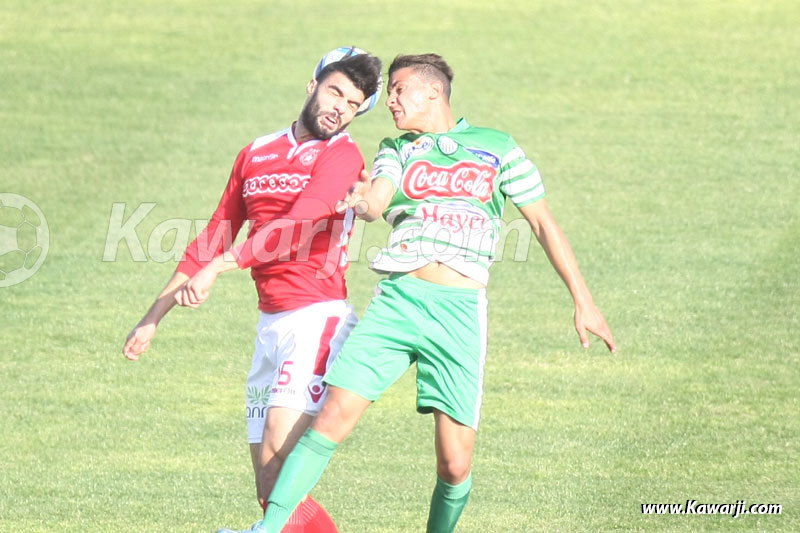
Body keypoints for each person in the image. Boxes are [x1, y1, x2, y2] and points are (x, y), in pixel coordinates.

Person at [250, 53, 617, 533]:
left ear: (432, 93)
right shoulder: (397, 149)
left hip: (459, 314)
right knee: (332, 416)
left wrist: (583, 299)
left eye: (399, 90)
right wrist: (362, 202)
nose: (390, 101)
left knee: (454, 464)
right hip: (398, 302)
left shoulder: (497, 148)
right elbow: (379, 199)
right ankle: (268, 529)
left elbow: (544, 224)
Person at [122, 48, 382, 530]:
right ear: (313, 85)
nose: (340, 108)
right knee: (270, 487)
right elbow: (216, 233)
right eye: (335, 92)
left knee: (282, 471)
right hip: (271, 326)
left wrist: (220, 268)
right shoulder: (256, 152)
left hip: (317, 320)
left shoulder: (343, 156)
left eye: (353, 104)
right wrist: (153, 317)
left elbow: (298, 224)